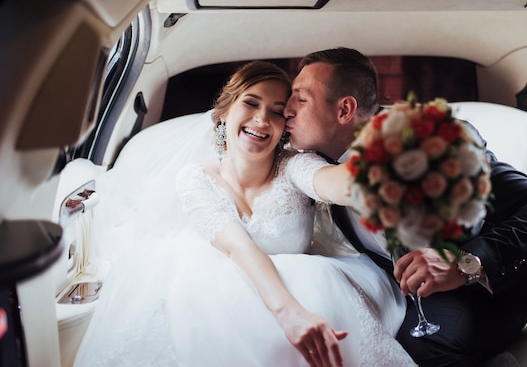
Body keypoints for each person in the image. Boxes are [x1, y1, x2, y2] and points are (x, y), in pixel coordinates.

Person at [284, 47, 527, 367]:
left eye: (300, 99)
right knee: (421, 350)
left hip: (511, 261)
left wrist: (467, 263)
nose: (287, 109)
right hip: (435, 297)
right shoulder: (312, 168)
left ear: (345, 109)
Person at [73, 61, 415, 367]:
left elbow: (336, 184)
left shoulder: (295, 166)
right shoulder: (195, 179)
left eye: (278, 111)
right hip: (219, 308)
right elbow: (239, 247)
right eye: (251, 104)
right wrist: (291, 314)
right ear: (224, 113)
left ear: (286, 127)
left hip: (308, 297)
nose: (262, 120)